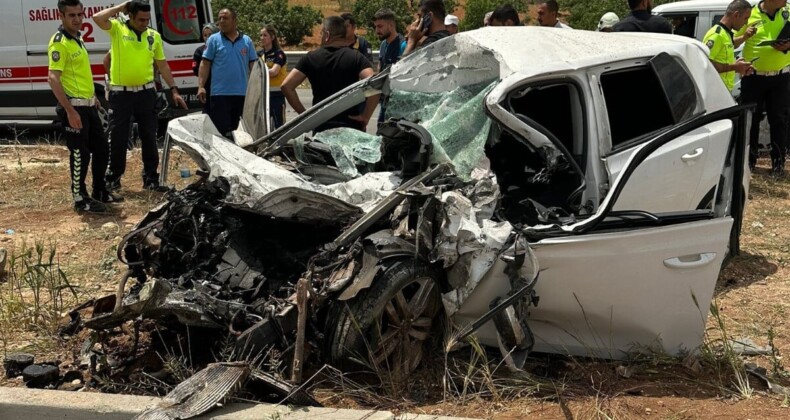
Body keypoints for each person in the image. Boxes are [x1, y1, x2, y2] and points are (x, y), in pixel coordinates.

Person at [93, 0, 187, 192]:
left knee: (149, 137)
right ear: (131, 16)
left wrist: (174, 90)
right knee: (118, 137)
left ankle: (151, 179)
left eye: (147, 19)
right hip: (121, 94)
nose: (145, 23)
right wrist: (121, 6)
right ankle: (114, 178)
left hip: (146, 93)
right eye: (141, 20)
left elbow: (162, 65)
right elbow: (97, 18)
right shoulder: (118, 28)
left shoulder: (154, 36)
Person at [49, 0, 119, 213]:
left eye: (80, 14)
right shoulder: (59, 42)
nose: (78, 19)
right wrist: (70, 110)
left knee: (101, 148)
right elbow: (53, 78)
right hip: (74, 108)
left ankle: (99, 191)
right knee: (80, 154)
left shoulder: (77, 39)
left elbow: (78, 75)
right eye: (72, 15)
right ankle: (80, 199)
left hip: (88, 105)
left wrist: (93, 97)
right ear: (61, 16)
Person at [280, 16, 377, 133]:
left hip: (322, 127)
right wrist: (365, 116)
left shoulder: (310, 58)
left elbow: (286, 86)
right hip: (351, 128)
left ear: (327, 35)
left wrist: (305, 116)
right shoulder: (356, 57)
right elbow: (375, 84)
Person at [735, 0, 790, 175]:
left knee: (779, 120)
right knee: (751, 120)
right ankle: (749, 163)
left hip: (781, 76)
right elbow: (732, 43)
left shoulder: (788, 10)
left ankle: (778, 165)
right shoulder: (750, 14)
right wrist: (745, 37)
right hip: (753, 77)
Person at [197, 8, 257, 138]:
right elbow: (205, 64)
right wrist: (201, 86)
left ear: (235, 21)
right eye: (219, 18)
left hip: (242, 95)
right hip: (220, 95)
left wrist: (257, 90)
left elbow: (254, 66)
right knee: (220, 134)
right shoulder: (213, 40)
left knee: (242, 134)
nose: (221, 21)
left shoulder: (247, 41)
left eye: (225, 18)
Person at [703, 0, 754, 92]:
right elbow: (706, 64)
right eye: (745, 18)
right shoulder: (717, 34)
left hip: (724, 90)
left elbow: (723, 56)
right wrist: (735, 67)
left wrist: (738, 66)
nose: (746, 23)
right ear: (736, 15)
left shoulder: (726, 33)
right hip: (716, 91)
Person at [374, 8, 407, 125]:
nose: (377, 30)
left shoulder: (403, 45)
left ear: (391, 25)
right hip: (385, 100)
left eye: (380, 26)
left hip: (398, 105)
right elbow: (380, 66)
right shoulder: (383, 44)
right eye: (376, 27)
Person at [257, 25, 288, 129]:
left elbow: (274, 71)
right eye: (261, 35)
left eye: (265, 35)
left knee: (279, 126)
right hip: (263, 96)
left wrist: (259, 73)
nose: (262, 38)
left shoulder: (279, 54)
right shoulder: (259, 54)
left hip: (277, 96)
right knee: (264, 127)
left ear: (272, 37)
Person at [193, 23, 218, 115]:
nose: (207, 37)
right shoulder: (200, 51)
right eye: (205, 35)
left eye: (210, 35)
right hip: (207, 87)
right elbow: (196, 70)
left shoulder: (222, 48)